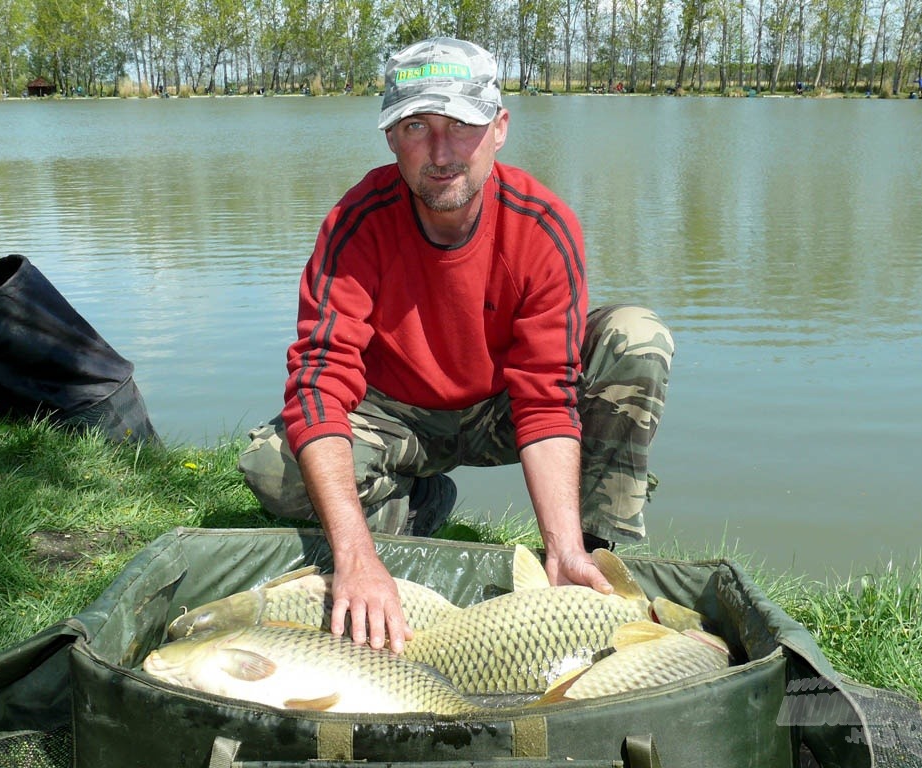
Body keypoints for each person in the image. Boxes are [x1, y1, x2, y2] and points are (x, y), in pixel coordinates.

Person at [238, 36, 675, 655]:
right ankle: (412, 512)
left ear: (499, 128)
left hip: (503, 407)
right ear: (391, 137)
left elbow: (547, 399)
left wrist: (563, 548)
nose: (440, 153)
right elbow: (318, 383)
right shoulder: (356, 223)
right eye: (417, 126)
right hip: (396, 413)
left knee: (637, 335)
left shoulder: (544, 225)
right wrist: (355, 558)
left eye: (462, 125)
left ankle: (593, 563)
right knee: (272, 468)